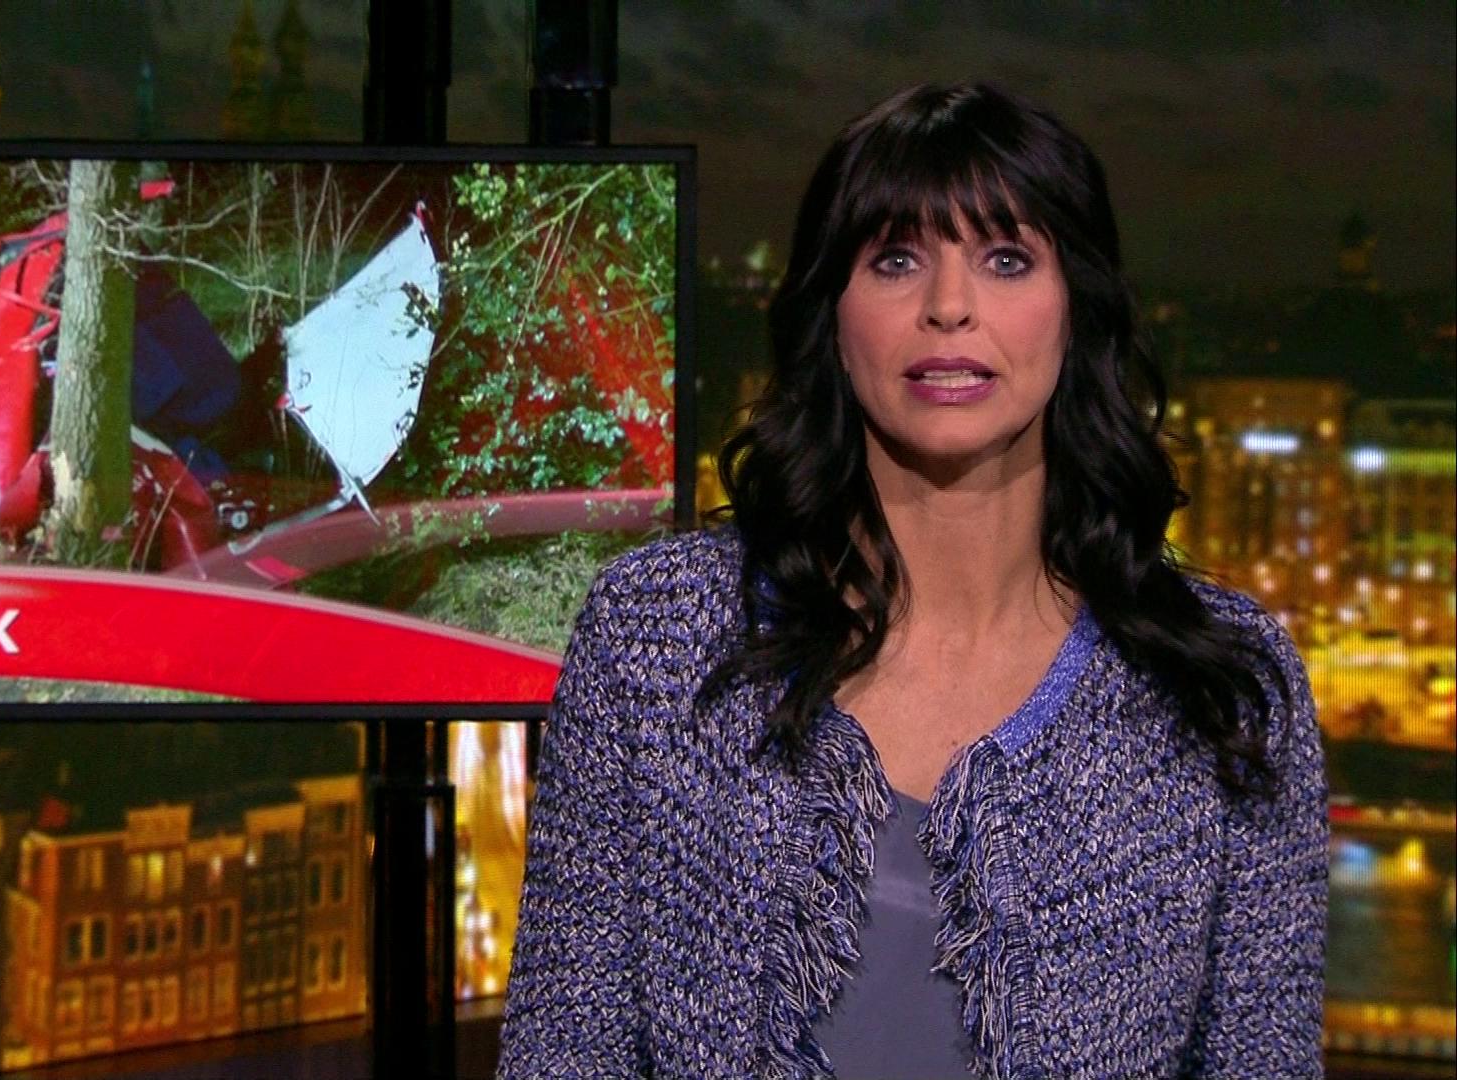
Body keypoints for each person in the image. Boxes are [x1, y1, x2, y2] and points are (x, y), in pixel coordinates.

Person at [496, 82, 1327, 1080]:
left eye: (1006, 258)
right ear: (831, 314)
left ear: (1077, 309)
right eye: (895, 259)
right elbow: (564, 1049)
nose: (948, 306)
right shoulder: (656, 637)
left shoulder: (1223, 690)